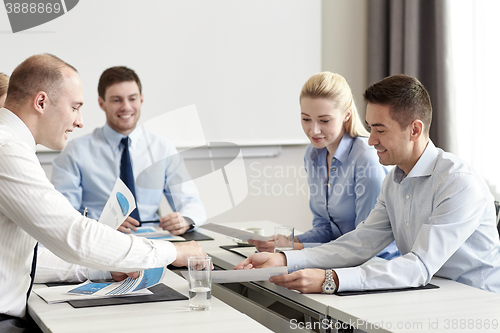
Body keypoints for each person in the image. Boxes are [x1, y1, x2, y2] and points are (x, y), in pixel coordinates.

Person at [235, 74, 500, 295]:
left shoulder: (458, 184)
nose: (371, 140)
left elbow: (418, 265)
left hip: (474, 301)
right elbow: (360, 243)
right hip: (429, 292)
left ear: (415, 130)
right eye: (371, 128)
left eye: (380, 130)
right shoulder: (395, 181)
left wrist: (332, 280)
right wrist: (285, 259)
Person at [0, 54, 206, 329]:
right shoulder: (7, 149)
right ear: (41, 102)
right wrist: (171, 253)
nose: (80, 121)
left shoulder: (13, 146)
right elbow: (73, 234)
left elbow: (27, 258)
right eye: (74, 107)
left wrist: (105, 268)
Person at [248, 72, 399, 259]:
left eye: (324, 120)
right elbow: (325, 228)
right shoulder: (313, 155)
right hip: (338, 258)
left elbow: (367, 242)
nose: (314, 130)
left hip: (375, 264)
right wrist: (292, 242)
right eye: (306, 119)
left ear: (346, 115)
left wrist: (299, 250)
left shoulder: (366, 159)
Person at [51, 66, 206, 235]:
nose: (126, 107)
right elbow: (64, 214)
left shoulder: (162, 148)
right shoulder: (75, 151)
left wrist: (185, 220)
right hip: (100, 240)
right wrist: (100, 225)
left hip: (153, 241)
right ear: (101, 103)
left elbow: (191, 203)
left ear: (141, 100)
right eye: (116, 100)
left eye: (132, 98)